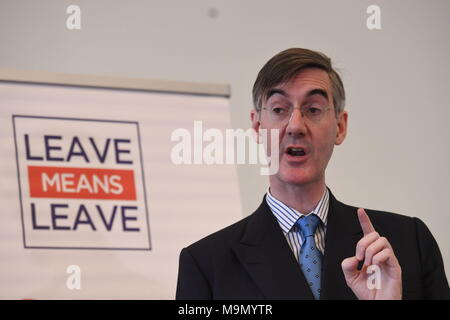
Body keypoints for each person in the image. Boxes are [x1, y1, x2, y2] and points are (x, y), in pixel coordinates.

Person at [175, 48, 450, 300]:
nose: (296, 125)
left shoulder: (407, 244)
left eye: (313, 109)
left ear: (340, 127)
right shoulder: (206, 264)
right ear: (258, 127)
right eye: (279, 109)